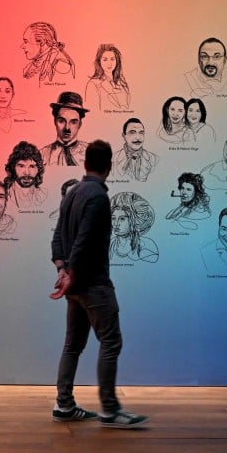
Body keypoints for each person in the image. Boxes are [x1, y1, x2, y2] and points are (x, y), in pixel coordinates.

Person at [49, 140, 147, 427]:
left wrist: (62, 269)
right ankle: (109, 408)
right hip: (93, 284)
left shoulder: (72, 193)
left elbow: (58, 238)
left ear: (85, 163)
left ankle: (64, 405)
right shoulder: (98, 197)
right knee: (111, 341)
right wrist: (73, 271)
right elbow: (85, 239)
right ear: (109, 165)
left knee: (72, 345)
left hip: (76, 286)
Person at [41, 91, 89, 167]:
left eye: (73, 122)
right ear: (55, 122)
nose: (67, 128)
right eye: (61, 121)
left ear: (80, 124)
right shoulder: (42, 155)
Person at [109, 192, 159, 262]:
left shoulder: (146, 246)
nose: (116, 224)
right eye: (113, 218)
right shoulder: (109, 245)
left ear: (134, 221)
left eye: (122, 219)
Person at [85, 44, 131, 111]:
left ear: (117, 61)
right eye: (105, 60)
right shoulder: (93, 84)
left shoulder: (122, 82)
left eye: (112, 59)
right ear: (99, 62)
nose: (109, 63)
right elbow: (93, 112)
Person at [3, 141, 47, 209]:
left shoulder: (44, 195)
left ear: (39, 169)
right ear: (13, 168)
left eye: (32, 166)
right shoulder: (4, 194)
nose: (27, 173)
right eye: (21, 166)